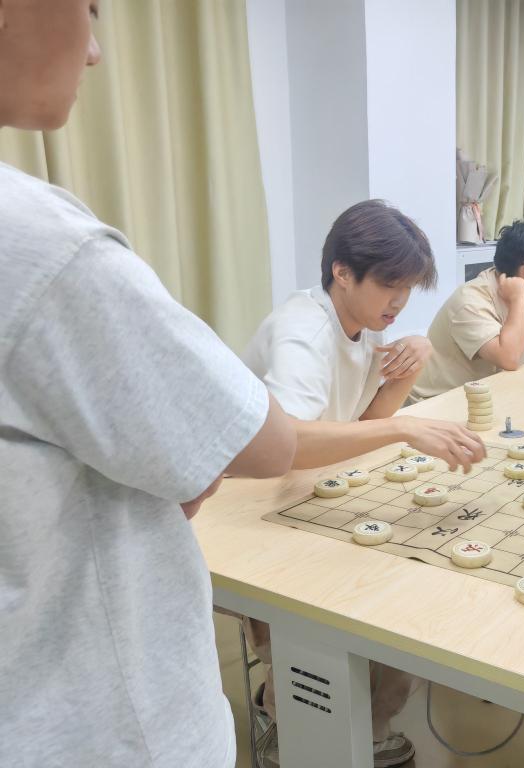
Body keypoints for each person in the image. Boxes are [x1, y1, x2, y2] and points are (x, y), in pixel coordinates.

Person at [0, 4, 298, 766]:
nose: (94, 51)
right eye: (90, 9)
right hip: (99, 727)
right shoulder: (40, 244)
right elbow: (263, 441)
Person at [241, 200, 487, 767]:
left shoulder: (368, 326)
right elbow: (286, 445)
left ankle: (363, 728)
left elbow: (365, 425)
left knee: (401, 577)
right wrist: (405, 428)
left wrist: (408, 370)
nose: (399, 302)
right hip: (250, 502)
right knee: (338, 607)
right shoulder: (304, 331)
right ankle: (290, 725)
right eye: (388, 285)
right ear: (342, 272)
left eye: (408, 288)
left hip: (304, 488)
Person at [411, 221, 524, 400]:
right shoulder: (469, 301)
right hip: (439, 401)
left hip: (493, 394)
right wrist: (518, 300)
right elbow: (510, 359)